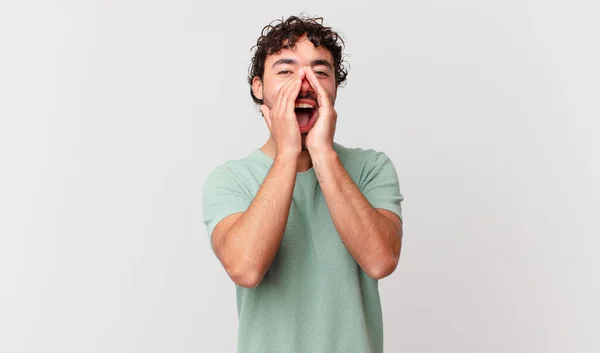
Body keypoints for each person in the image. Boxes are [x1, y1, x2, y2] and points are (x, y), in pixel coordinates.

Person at [202, 14, 404, 353]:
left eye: (320, 71)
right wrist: (288, 154)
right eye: (286, 70)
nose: (304, 83)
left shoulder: (371, 167)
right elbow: (246, 268)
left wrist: (322, 152)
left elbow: (381, 260)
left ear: (334, 89)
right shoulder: (229, 179)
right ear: (258, 87)